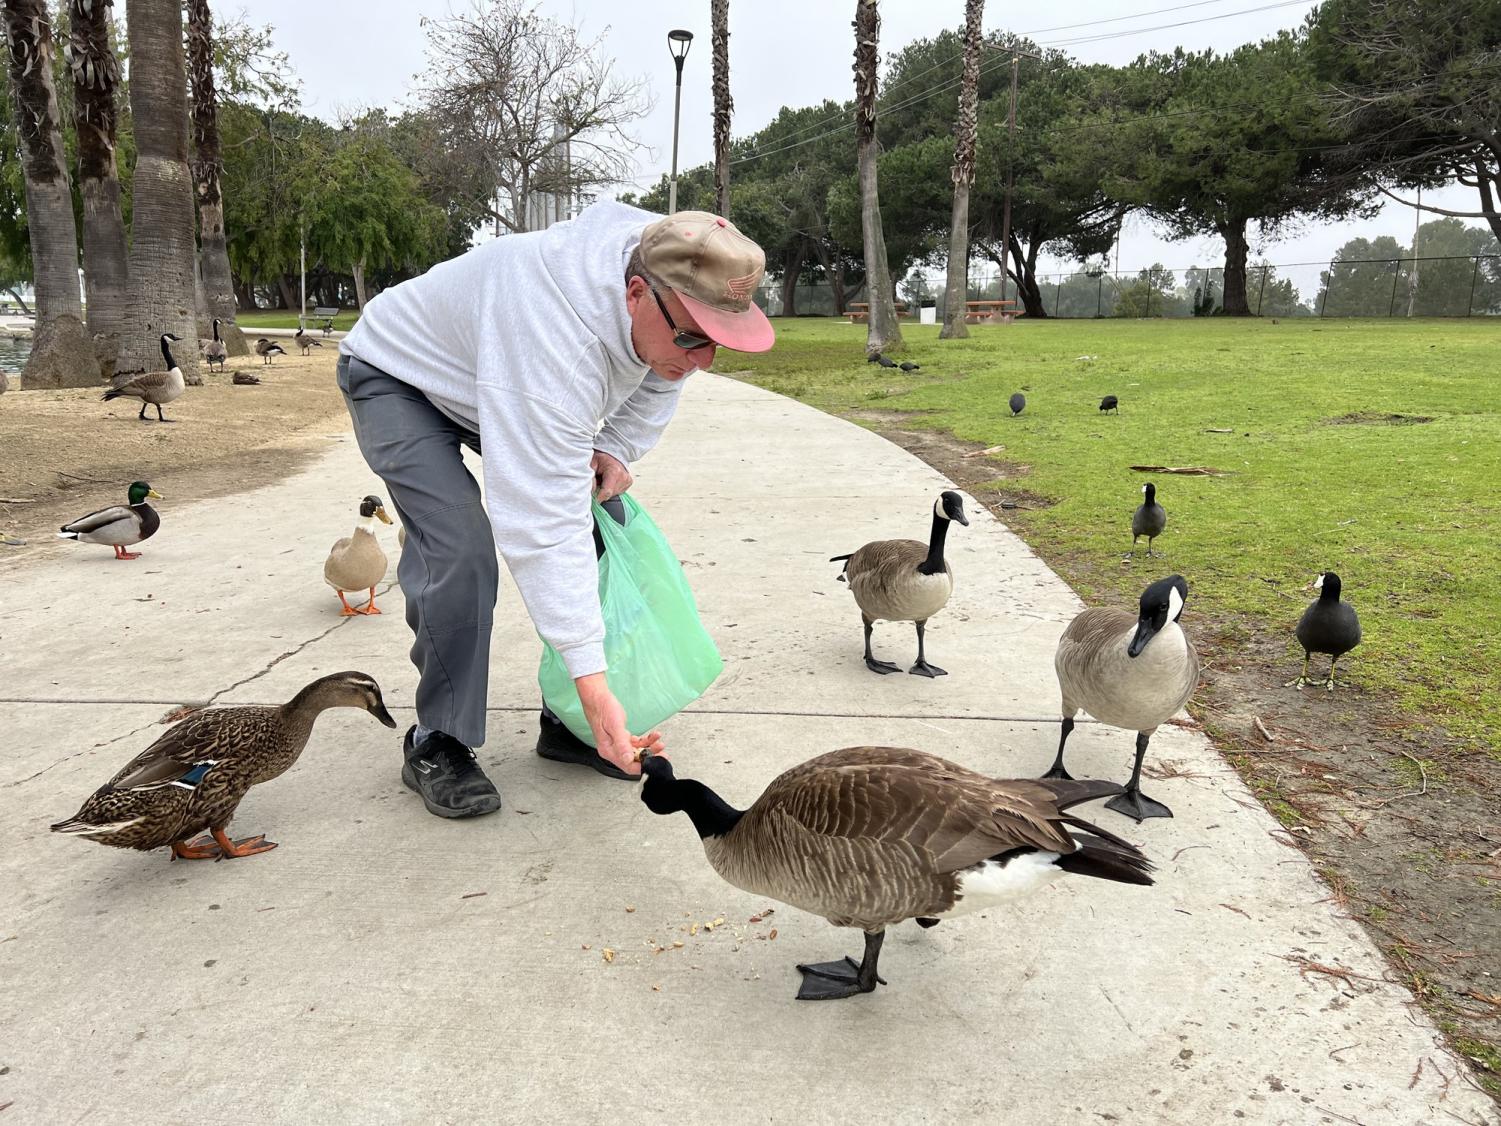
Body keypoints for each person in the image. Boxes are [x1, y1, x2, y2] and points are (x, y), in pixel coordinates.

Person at [336, 203, 774, 819]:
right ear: (635, 293)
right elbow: (541, 525)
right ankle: (439, 737)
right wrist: (600, 691)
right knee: (461, 551)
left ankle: (565, 723)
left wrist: (617, 448)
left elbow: (663, 373)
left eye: (719, 342)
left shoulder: (675, 264)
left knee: (602, 525)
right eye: (693, 337)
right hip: (401, 376)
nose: (703, 360)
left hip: (498, 376)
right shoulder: (552, 339)